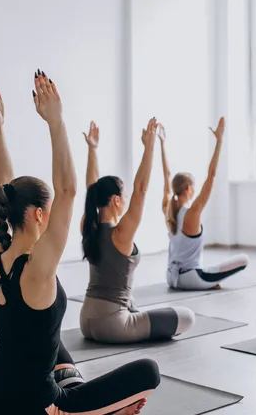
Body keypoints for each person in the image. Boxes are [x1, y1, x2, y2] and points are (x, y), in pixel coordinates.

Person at [0, 74, 160, 415]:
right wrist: (56, 121)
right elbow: (67, 190)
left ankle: (77, 393)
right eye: (48, 211)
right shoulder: (37, 269)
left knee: (52, 341)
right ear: (36, 214)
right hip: (38, 408)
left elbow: (2, 186)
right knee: (148, 371)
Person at [79, 120, 195, 344]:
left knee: (132, 303)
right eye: (123, 197)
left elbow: (91, 188)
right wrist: (148, 146)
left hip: (86, 321)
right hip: (113, 326)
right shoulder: (120, 233)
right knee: (186, 317)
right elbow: (141, 189)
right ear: (115, 200)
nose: (125, 201)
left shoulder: (88, 227)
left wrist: (92, 149)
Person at [160, 118, 249, 290]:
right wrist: (219, 141)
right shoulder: (192, 212)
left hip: (171, 277)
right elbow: (212, 175)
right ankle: (206, 282)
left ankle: (207, 280)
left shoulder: (168, 210)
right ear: (188, 189)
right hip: (190, 278)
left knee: (210, 270)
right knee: (244, 260)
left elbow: (166, 175)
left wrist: (162, 144)